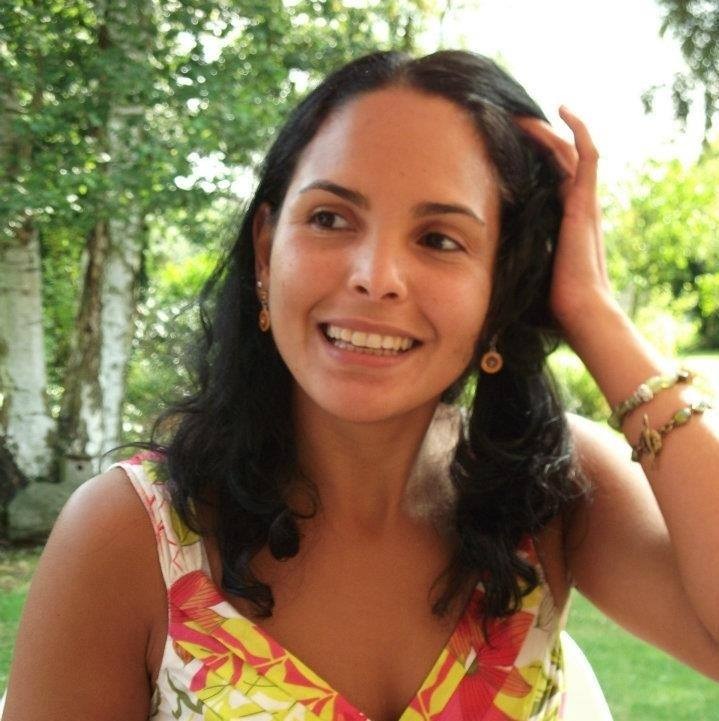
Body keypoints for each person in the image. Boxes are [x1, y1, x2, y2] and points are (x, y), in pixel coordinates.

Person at [3, 49, 718, 721]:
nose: (375, 275)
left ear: (502, 286)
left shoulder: (550, 489)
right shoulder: (133, 536)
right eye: (330, 219)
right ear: (265, 250)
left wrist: (593, 315)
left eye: (438, 239)